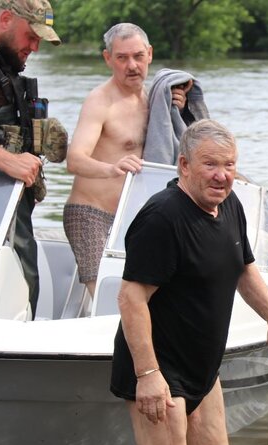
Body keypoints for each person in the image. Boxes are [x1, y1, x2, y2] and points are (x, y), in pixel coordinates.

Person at [111, 119, 268, 445]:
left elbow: (244, 267)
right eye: (210, 164)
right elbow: (130, 298)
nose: (222, 175)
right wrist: (147, 374)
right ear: (184, 165)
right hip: (160, 368)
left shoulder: (228, 204)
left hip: (201, 366)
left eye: (229, 165)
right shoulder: (162, 217)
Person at [65, 23, 192, 297]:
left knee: (150, 293)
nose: (132, 65)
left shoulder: (155, 101)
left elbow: (172, 144)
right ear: (108, 58)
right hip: (90, 213)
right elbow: (74, 160)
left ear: (150, 54)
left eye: (138, 56)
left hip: (133, 216)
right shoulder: (100, 101)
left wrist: (177, 108)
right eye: (122, 58)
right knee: (107, 296)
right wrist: (112, 168)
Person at [0, 0, 62, 317]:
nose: (35, 47)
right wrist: (10, 162)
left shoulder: (2, 61)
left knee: (23, 285)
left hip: (5, 209)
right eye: (31, 36)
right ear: (5, 19)